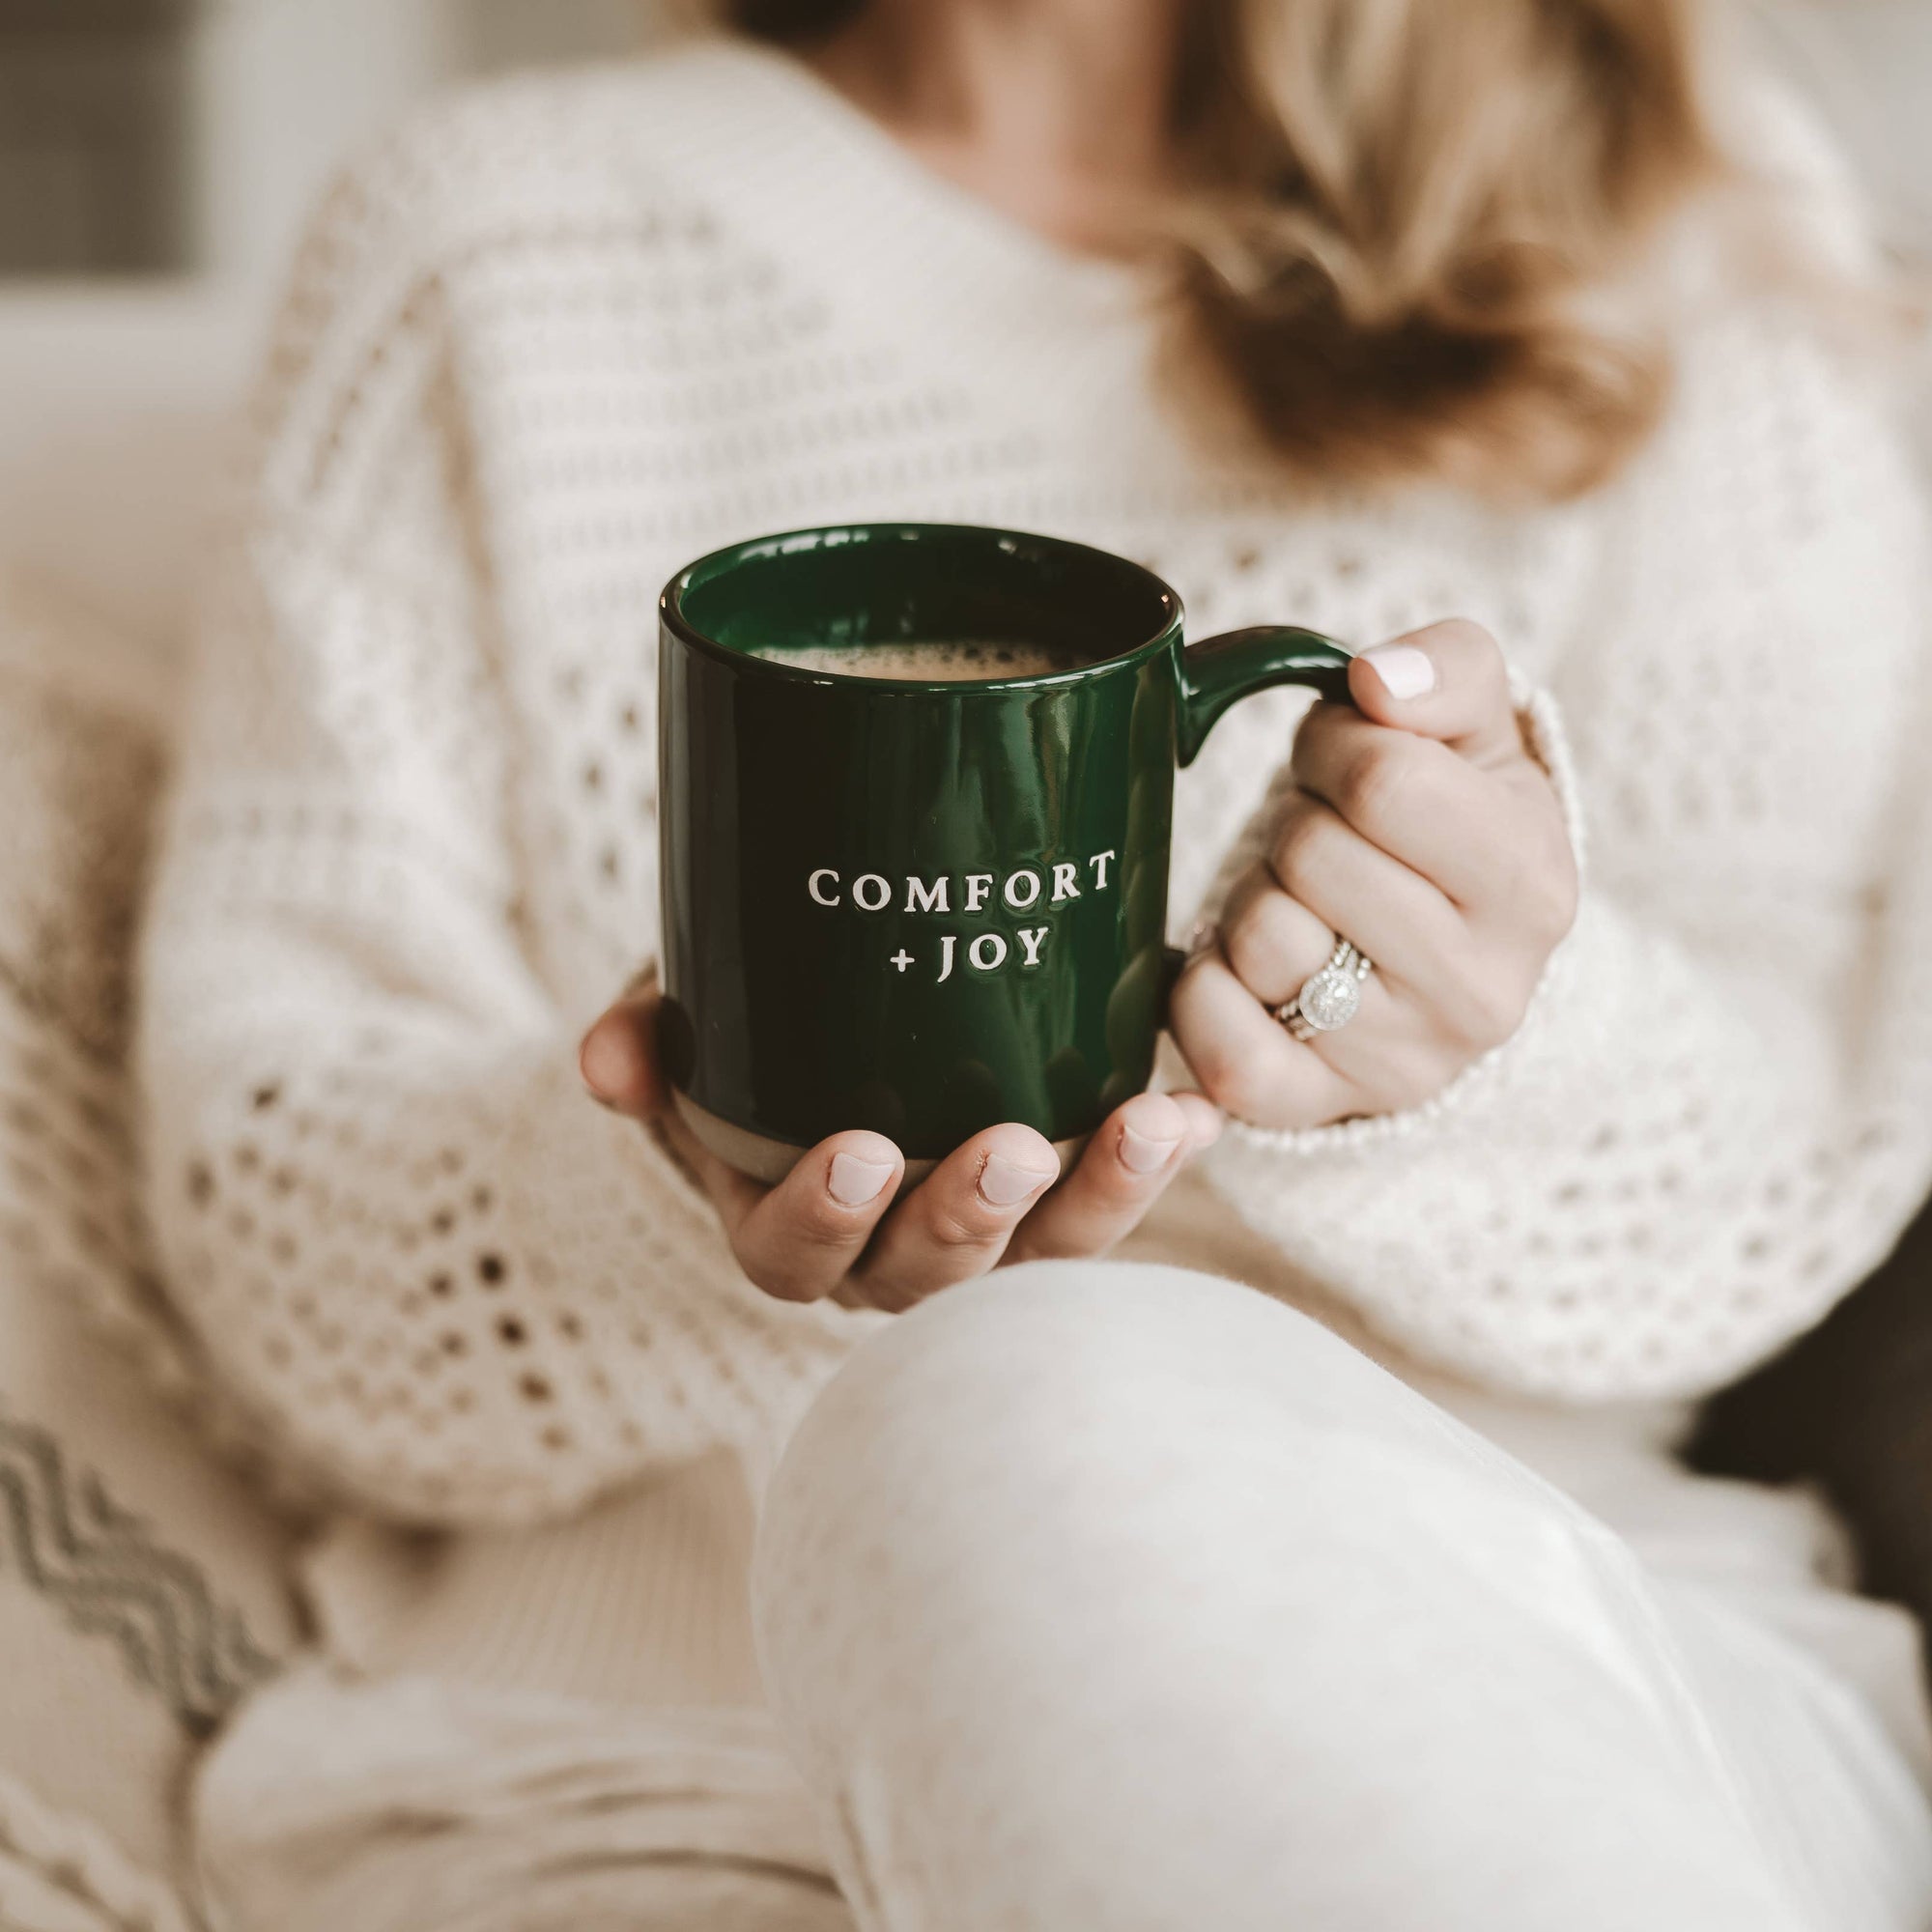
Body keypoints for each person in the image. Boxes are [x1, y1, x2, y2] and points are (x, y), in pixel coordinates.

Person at [138, 0, 1932, 1925]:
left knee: (1030, 1399)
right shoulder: (488, 245)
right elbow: (274, 1222)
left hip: (1532, 1680)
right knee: (994, 1405)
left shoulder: (1673, 222)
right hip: (654, 1770)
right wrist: (668, 1174)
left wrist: (1468, 1038)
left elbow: (1800, 1161)